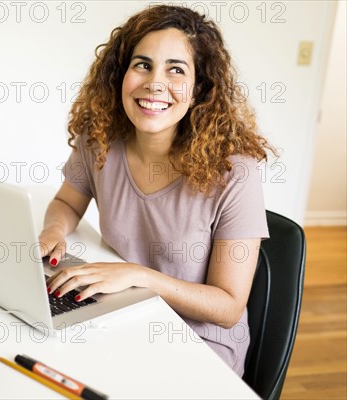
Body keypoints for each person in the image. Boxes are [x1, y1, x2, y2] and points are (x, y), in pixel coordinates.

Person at [38, 4, 276, 376]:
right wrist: (53, 230)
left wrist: (139, 276)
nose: (155, 83)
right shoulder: (99, 139)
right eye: (142, 65)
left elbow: (228, 307)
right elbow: (68, 201)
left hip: (197, 348)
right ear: (121, 75)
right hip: (122, 316)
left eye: (176, 70)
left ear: (198, 91)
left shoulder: (235, 174)